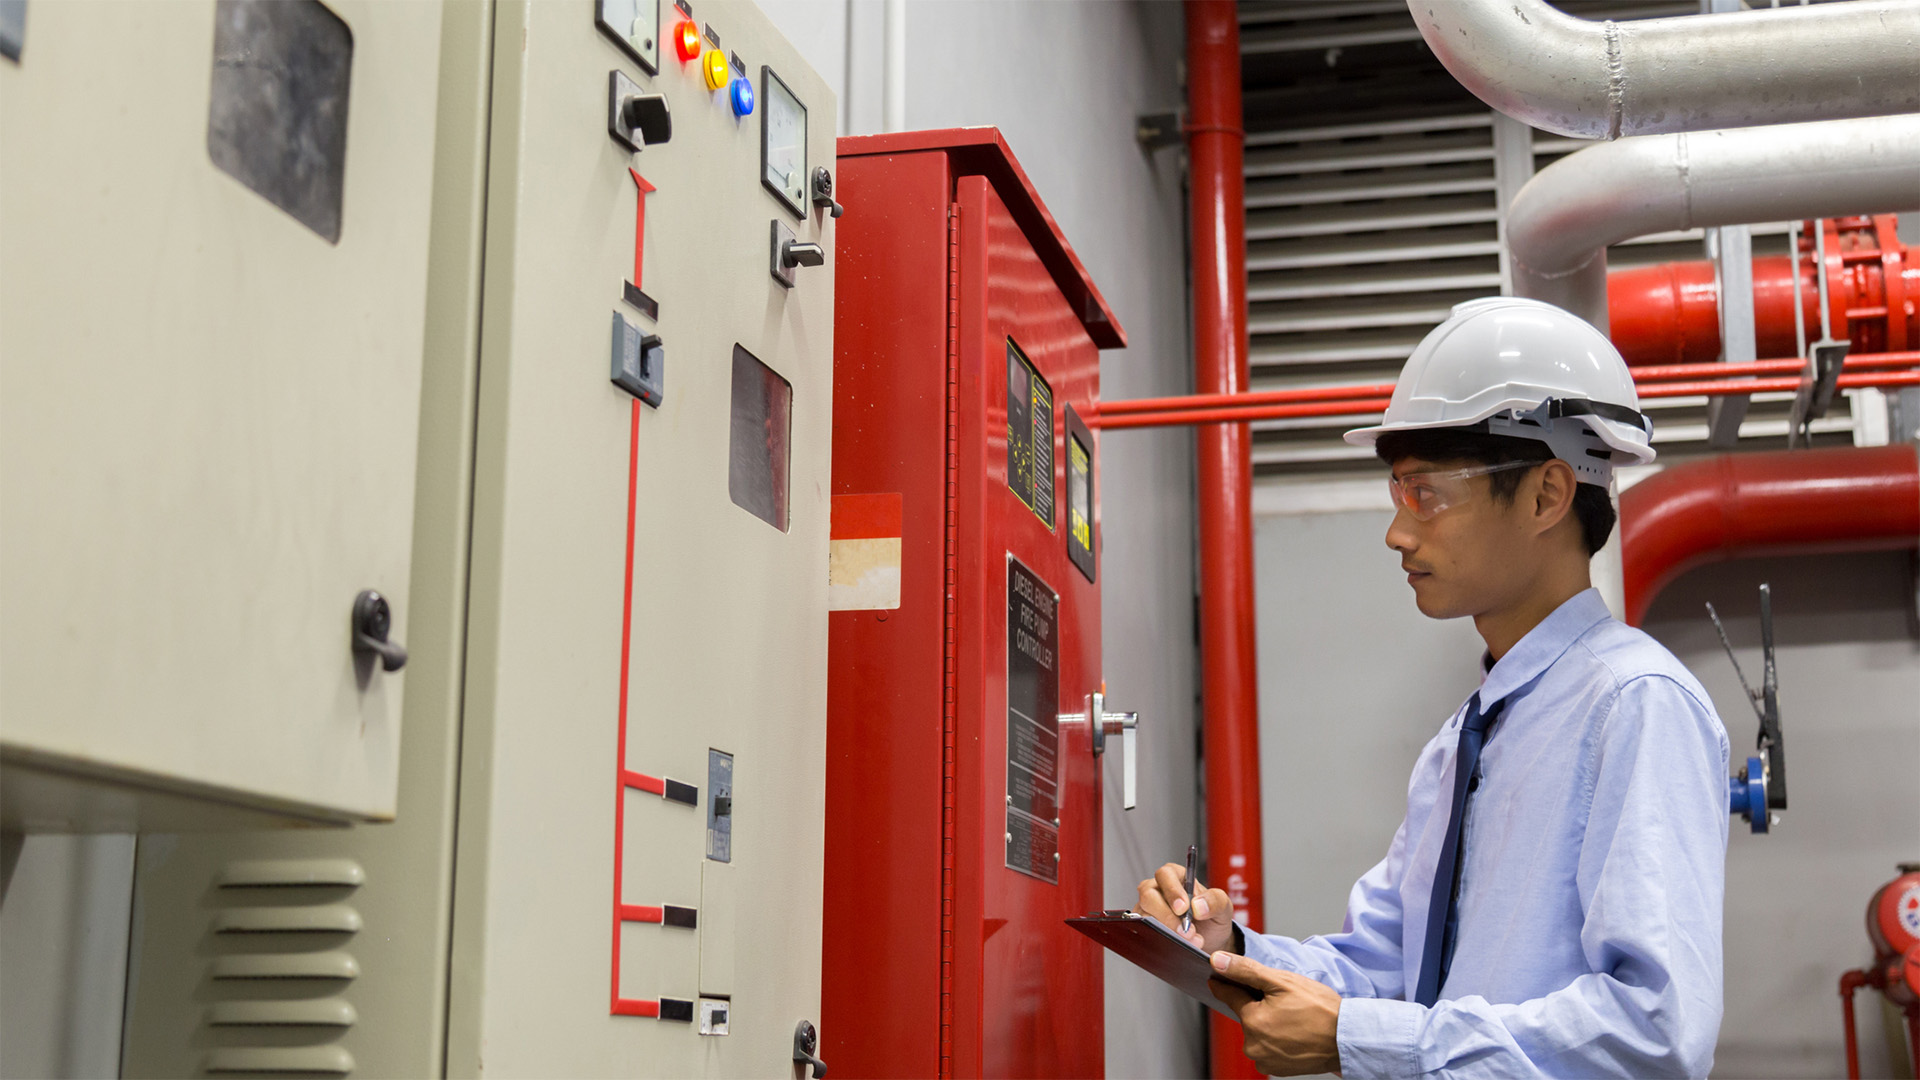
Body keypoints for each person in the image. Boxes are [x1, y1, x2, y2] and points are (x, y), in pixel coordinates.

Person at [1137, 298, 1730, 1078]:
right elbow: (1386, 969)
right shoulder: (1467, 739)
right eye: (1397, 493)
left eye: (1428, 493)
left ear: (1548, 496)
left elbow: (1653, 1031)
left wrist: (1367, 1039)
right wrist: (1230, 950)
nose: (1397, 532)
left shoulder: (1637, 706)